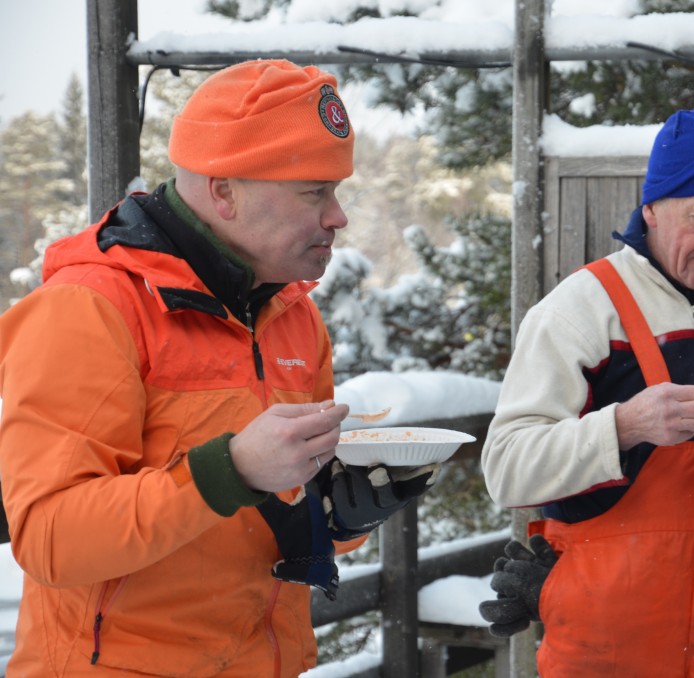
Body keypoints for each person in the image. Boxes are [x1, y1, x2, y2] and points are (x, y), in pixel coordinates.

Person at [0, 60, 438, 677]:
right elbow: (50, 538)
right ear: (225, 191)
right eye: (314, 191)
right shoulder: (90, 309)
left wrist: (342, 515)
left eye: (337, 191)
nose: (337, 215)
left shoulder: (292, 315)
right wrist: (225, 471)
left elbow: (279, 518)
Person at [478, 101, 694, 677]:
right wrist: (625, 426)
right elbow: (506, 470)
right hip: (603, 641)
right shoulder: (580, 309)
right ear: (652, 209)